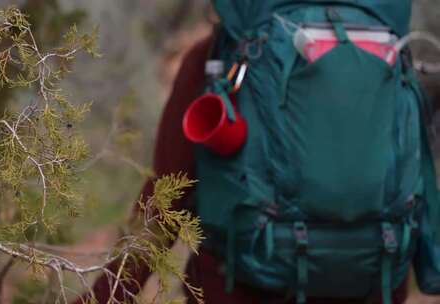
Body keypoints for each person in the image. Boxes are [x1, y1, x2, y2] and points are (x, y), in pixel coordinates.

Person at [77, 32, 411, 304]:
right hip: (370, 283)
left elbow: (163, 210)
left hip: (238, 287)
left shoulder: (220, 58)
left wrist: (102, 297)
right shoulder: (388, 54)